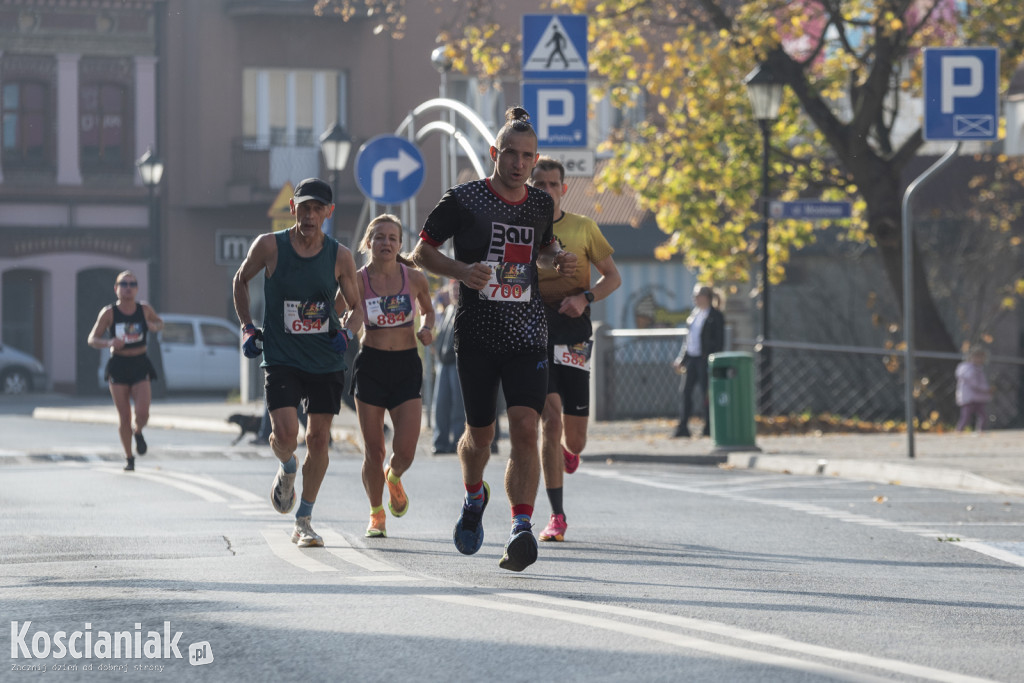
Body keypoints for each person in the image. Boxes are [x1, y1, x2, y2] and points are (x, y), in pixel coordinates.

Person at [411, 106, 577, 572]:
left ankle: (521, 527)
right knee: (478, 437)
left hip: (527, 331)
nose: (520, 163)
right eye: (511, 154)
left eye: (528, 156)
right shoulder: (463, 199)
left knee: (526, 427)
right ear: (494, 153)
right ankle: (472, 494)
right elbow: (422, 250)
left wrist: (557, 259)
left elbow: (542, 250)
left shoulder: (541, 204)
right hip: (478, 333)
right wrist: (463, 271)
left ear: (535, 158)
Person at [232, 177, 360, 548]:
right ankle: (287, 466)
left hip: (324, 359)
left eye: (317, 209)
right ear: (293, 209)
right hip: (282, 356)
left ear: (328, 213)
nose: (309, 215)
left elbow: (357, 308)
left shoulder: (340, 256)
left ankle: (304, 519)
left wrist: (346, 334)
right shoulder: (270, 246)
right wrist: (246, 327)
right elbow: (240, 280)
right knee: (287, 435)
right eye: (303, 207)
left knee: (319, 440)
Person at [529, 157, 621, 542]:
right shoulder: (523, 230)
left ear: (563, 189)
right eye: (541, 184)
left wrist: (585, 298)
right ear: (531, 187)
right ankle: (557, 516)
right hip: (534, 334)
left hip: (575, 334)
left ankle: (570, 452)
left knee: (575, 438)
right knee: (550, 420)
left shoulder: (584, 228)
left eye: (554, 184)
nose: (547, 190)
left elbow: (612, 277)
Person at [349, 214, 435, 538]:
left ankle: (394, 477)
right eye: (379, 237)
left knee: (406, 449)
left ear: (400, 244)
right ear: (368, 243)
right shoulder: (357, 279)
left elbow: (428, 309)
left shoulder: (414, 278)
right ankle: (375, 513)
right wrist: (349, 320)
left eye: (392, 238)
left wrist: (427, 328)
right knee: (374, 450)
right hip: (370, 366)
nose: (386, 243)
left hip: (405, 366)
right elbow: (342, 309)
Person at [87, 270, 165, 471]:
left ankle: (138, 431)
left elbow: (159, 323)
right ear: (116, 288)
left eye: (132, 284)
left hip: (140, 363)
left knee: (143, 412)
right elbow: (92, 339)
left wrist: (152, 326)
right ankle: (129, 457)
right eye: (124, 284)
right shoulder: (109, 313)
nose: (128, 288)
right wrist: (109, 342)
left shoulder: (144, 309)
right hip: (119, 365)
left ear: (137, 288)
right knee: (124, 417)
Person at [672, 285, 725, 438]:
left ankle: (709, 427)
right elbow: (688, 341)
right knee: (685, 392)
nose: (694, 299)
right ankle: (683, 427)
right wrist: (681, 359)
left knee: (706, 394)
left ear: (706, 297)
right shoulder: (694, 315)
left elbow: (718, 341)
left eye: (697, 296)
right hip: (692, 359)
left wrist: (711, 359)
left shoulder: (715, 316)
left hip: (704, 360)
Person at [431, 278, 464, 454]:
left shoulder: (465, 310)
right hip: (444, 362)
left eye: (458, 289)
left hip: (458, 363)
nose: (455, 292)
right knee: (441, 404)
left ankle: (457, 441)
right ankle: (440, 441)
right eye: (453, 289)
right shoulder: (449, 309)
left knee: (458, 406)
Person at [955, 346, 992, 433]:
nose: (980, 359)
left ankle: (981, 430)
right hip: (969, 397)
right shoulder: (968, 369)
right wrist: (986, 390)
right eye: (978, 357)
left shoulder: (978, 369)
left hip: (978, 397)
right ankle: (959, 430)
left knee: (983, 415)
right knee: (966, 416)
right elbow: (974, 384)